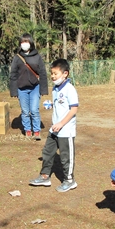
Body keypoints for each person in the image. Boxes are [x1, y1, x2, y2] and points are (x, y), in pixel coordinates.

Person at [29, 59, 79, 192]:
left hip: (65, 130)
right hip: (54, 129)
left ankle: (69, 180)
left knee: (65, 157)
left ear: (65, 74)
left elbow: (73, 109)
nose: (53, 76)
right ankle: (45, 176)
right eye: (51, 73)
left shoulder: (70, 89)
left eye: (55, 74)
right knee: (47, 152)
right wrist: (51, 104)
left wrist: (62, 123)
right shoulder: (56, 89)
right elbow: (61, 104)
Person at [9, 33, 49, 139]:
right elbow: (13, 75)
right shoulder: (17, 58)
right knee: (25, 111)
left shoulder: (37, 57)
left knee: (34, 110)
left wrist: (43, 89)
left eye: (26, 41)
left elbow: (43, 73)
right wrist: (14, 91)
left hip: (35, 87)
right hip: (21, 89)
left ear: (30, 43)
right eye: (22, 42)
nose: (24, 44)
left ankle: (36, 131)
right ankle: (27, 130)